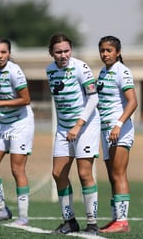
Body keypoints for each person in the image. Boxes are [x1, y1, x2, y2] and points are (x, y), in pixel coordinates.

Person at [46, 33, 100, 235]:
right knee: (58, 173)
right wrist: (66, 126)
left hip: (84, 126)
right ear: (51, 52)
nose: (63, 55)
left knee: (84, 174)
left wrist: (78, 125)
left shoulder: (81, 67)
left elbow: (93, 99)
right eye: (58, 51)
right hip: (64, 128)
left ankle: (93, 224)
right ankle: (69, 221)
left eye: (66, 51)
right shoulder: (49, 70)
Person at [0, 38, 34, 226]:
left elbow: (26, 99)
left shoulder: (14, 71)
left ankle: (23, 217)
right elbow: (0, 95)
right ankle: (2, 209)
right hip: (2, 123)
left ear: (9, 53)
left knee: (17, 169)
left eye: (4, 52)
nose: (0, 55)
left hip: (21, 123)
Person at [96, 36, 138, 233]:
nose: (105, 54)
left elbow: (132, 102)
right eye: (102, 50)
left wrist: (118, 124)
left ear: (118, 52)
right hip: (105, 130)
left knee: (119, 173)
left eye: (109, 50)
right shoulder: (103, 72)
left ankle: (122, 222)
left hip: (119, 130)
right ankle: (116, 220)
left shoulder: (123, 71)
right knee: (113, 176)